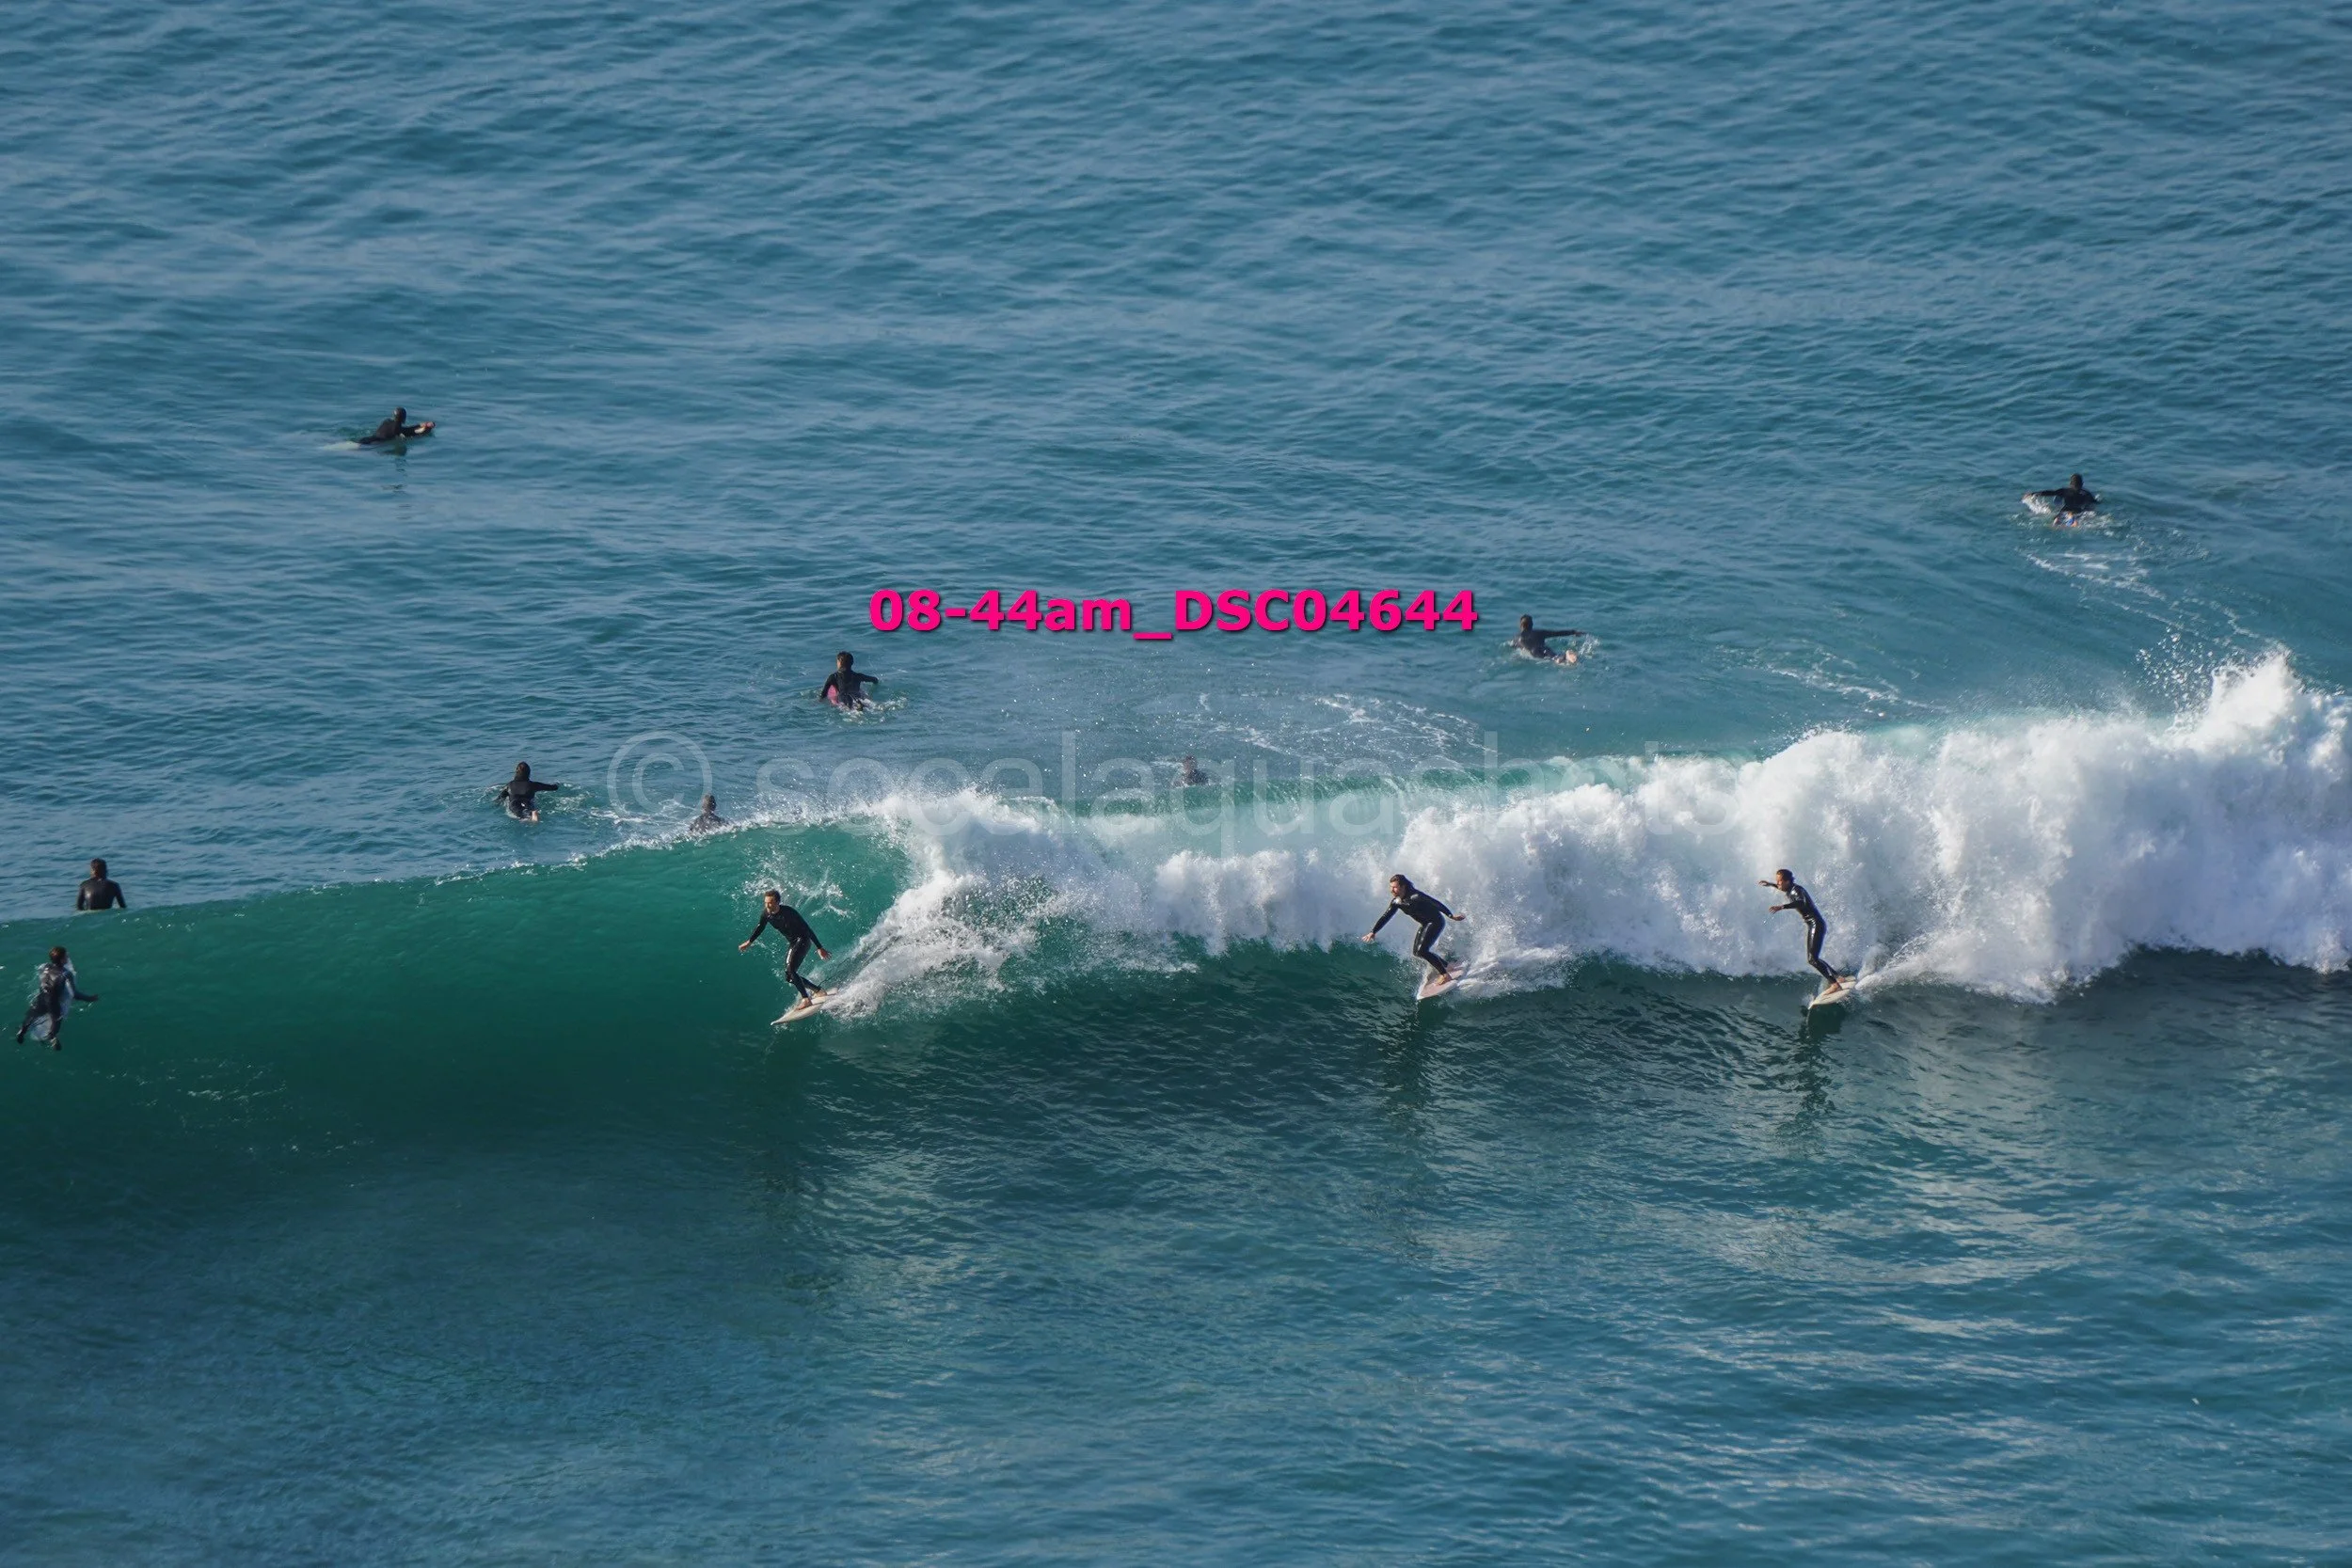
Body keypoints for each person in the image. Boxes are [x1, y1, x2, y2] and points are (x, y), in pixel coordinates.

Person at [1363, 873, 1467, 982]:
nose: (1392, 890)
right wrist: (1373, 931)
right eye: (1391, 887)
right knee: (1417, 952)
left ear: (1403, 886)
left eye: (1395, 887)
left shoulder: (1416, 896)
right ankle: (1446, 966)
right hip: (1425, 924)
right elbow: (1386, 916)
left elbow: (1436, 903)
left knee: (1422, 951)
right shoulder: (1396, 902)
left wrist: (1451, 915)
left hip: (1435, 922)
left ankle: (1445, 975)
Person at [739, 891, 830, 1005]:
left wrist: (819, 947)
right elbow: (760, 926)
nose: (767, 906)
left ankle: (806, 999)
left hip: (803, 939)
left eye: (770, 903)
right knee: (789, 977)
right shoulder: (766, 914)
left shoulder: (789, 913)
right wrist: (749, 941)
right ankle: (818, 990)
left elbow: (807, 929)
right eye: (765, 903)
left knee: (791, 970)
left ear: (777, 902)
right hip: (793, 942)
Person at [1760, 869, 1844, 989]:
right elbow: (1781, 888)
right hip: (1814, 924)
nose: (1777, 884)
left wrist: (1782, 907)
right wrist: (1770, 884)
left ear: (1787, 881)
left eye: (1779, 882)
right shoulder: (1790, 889)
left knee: (1812, 960)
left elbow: (1802, 903)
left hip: (1816, 924)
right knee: (1814, 958)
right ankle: (1838, 977)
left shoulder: (1797, 890)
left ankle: (1834, 984)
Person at [17, 946, 96, 1050]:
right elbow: (75, 995)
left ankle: (22, 1031)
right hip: (53, 1002)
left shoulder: (46, 967)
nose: (68, 957)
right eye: (66, 956)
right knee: (56, 1021)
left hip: (41, 998)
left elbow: (44, 981)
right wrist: (90, 998)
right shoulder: (66, 974)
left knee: (31, 1016)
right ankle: (53, 1038)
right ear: (62, 959)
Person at [496, 762, 563, 821]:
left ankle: (529, 817)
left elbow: (500, 798)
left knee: (522, 815)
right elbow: (552, 788)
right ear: (529, 773)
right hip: (527, 803)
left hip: (514, 804)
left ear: (516, 772)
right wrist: (557, 785)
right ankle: (533, 815)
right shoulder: (533, 785)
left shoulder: (509, 785)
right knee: (528, 812)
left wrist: (497, 803)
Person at [1513, 615, 1584, 663]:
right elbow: (1557, 633)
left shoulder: (1516, 638)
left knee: (1555, 661)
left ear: (1520, 625)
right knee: (1556, 657)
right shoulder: (1540, 632)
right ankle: (1567, 655)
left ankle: (1565, 657)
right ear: (1531, 624)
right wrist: (1573, 632)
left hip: (1534, 652)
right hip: (1545, 649)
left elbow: (1517, 650)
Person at [2029, 473, 2099, 521]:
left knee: (2057, 518)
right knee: (2079, 514)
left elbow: (2050, 493)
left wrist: (2033, 494)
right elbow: (2095, 502)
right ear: (2082, 484)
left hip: (2065, 510)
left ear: (2070, 483)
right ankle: (2073, 521)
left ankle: (2057, 521)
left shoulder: (2065, 491)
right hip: (2079, 512)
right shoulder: (2087, 493)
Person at [358, 406, 434, 446]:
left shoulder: (387, 421)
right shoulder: (398, 429)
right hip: (372, 444)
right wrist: (426, 428)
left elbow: (408, 429)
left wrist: (422, 424)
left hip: (365, 440)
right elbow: (411, 431)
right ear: (404, 418)